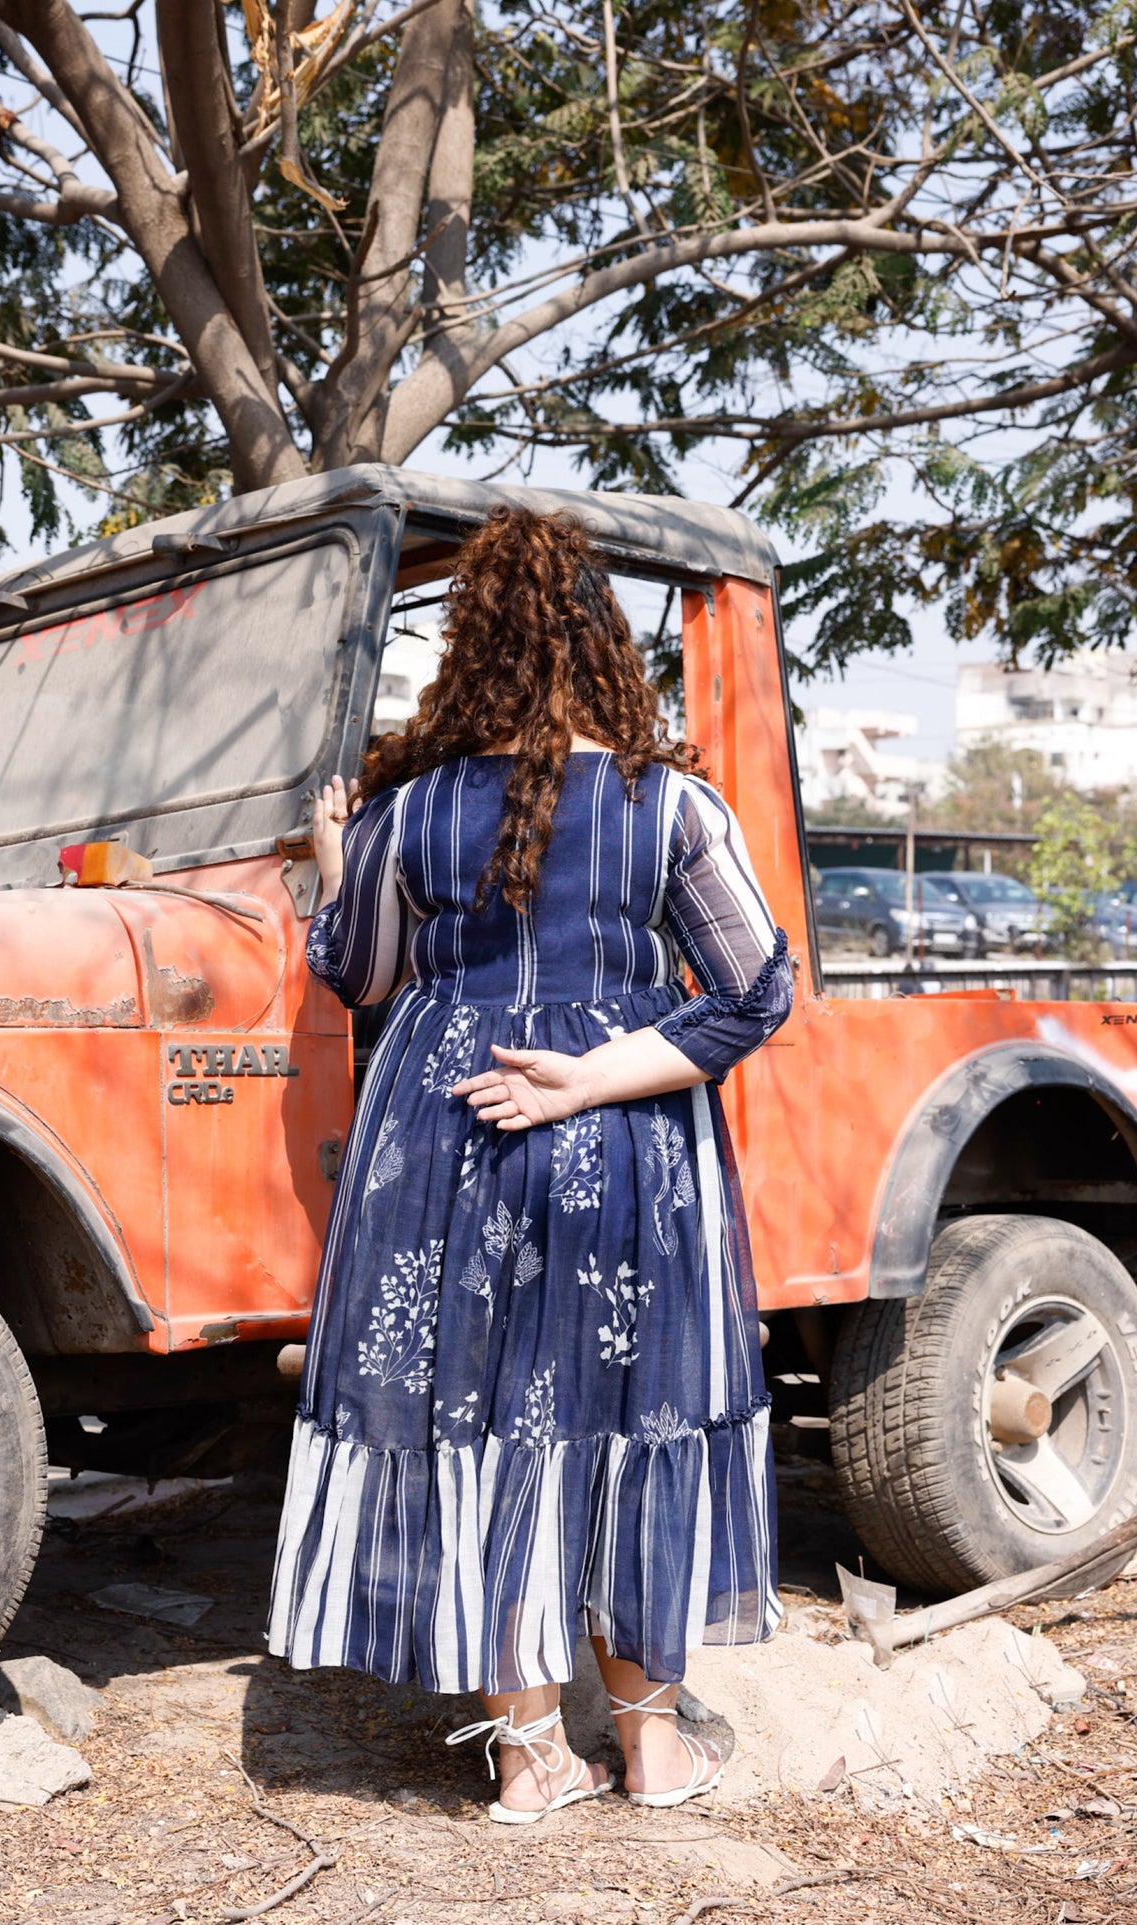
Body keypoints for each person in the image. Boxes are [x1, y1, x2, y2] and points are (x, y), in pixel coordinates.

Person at [267, 505, 793, 1824]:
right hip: (624, 1151)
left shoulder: (405, 811)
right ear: (602, 640)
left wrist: (337, 865)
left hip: (444, 1141)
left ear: (469, 647)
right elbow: (754, 989)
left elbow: (357, 971)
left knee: (495, 1430)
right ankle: (653, 1747)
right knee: (634, 1425)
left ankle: (524, 1758)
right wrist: (601, 1070)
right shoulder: (668, 804)